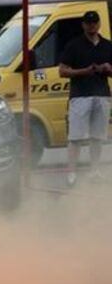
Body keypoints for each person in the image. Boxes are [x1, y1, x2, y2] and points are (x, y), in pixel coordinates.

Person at [59, 10, 112, 186]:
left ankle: (95, 170)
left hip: (102, 94)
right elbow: (62, 70)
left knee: (98, 136)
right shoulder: (74, 45)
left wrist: (107, 69)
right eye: (88, 23)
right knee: (76, 137)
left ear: (99, 24)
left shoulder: (107, 45)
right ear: (83, 25)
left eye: (94, 22)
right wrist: (84, 71)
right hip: (80, 95)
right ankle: (71, 172)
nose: (92, 26)